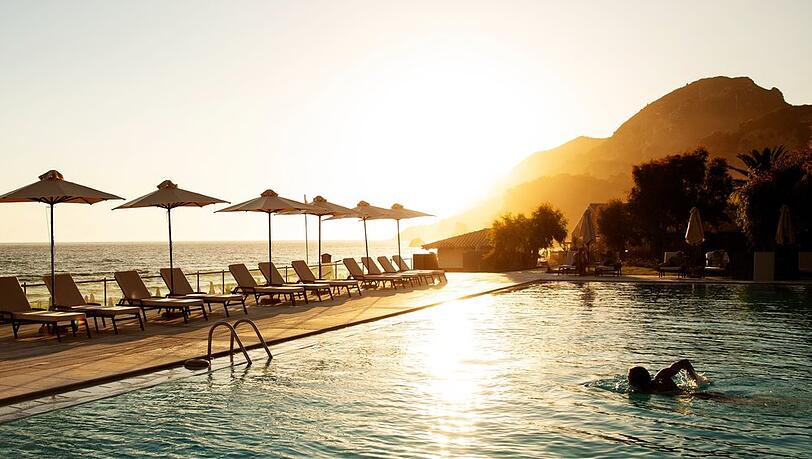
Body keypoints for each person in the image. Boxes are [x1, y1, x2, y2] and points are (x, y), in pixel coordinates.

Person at [627, 359, 702, 394]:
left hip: (697, 396)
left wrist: (696, 381)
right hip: (695, 395)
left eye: (629, 379)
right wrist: (696, 381)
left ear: (635, 383)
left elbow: (684, 362)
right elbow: (684, 362)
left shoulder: (661, 379)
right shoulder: (661, 377)